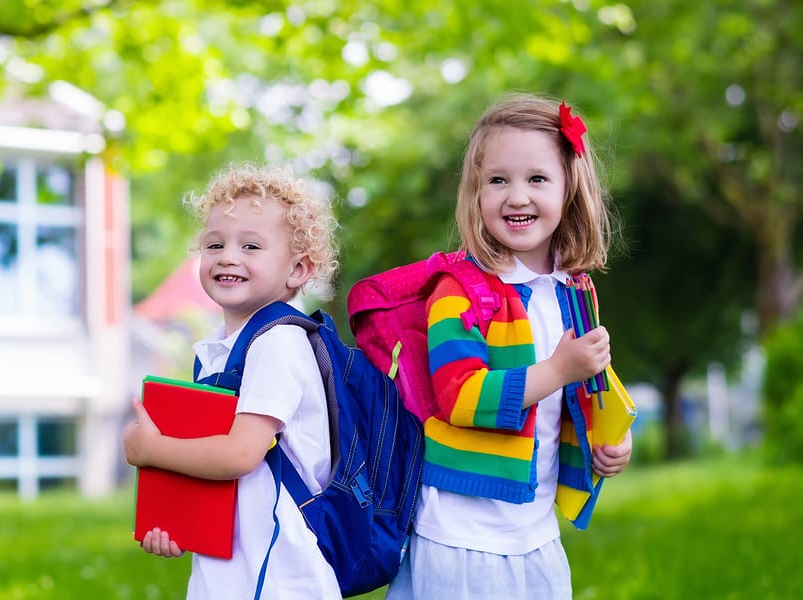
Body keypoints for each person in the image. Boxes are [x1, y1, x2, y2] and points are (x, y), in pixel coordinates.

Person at [386, 93, 633, 600]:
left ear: (570, 188)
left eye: (536, 179)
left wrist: (608, 442)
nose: (516, 196)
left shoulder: (574, 288)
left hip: (535, 530)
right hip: (462, 535)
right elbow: (460, 396)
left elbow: (585, 381)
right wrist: (559, 369)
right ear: (475, 194)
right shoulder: (460, 291)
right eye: (497, 180)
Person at [123, 163, 342, 600]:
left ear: (297, 270)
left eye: (251, 246)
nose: (227, 256)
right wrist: (176, 522)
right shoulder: (222, 350)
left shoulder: (278, 342)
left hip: (279, 572)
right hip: (233, 561)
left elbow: (242, 453)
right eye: (215, 244)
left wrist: (152, 450)